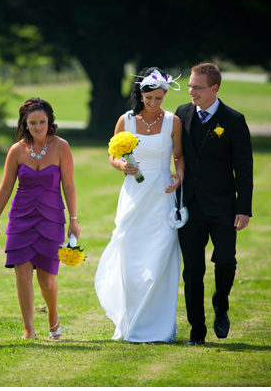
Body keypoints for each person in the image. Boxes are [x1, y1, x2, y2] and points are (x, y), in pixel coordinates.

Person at [95, 67, 185, 343]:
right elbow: (112, 155)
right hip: (134, 194)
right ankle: (130, 320)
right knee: (131, 259)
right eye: (150, 98)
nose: (155, 103)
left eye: (160, 98)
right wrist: (122, 164)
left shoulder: (173, 122)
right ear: (141, 94)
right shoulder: (126, 121)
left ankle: (158, 326)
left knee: (159, 258)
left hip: (161, 194)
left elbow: (179, 156)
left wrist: (178, 177)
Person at [0, 98, 81, 341]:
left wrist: (73, 219)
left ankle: (52, 316)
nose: (38, 127)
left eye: (42, 122)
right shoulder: (16, 150)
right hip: (21, 217)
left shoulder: (61, 147)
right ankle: (28, 329)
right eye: (33, 123)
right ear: (24, 124)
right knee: (22, 272)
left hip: (51, 218)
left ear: (49, 122)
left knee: (47, 279)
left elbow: (68, 186)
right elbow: (6, 187)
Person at [175, 63, 253, 346]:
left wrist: (243, 208)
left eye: (197, 87)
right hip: (189, 207)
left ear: (214, 88)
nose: (191, 91)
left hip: (223, 206)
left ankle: (221, 305)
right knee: (192, 271)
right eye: (190, 86)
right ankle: (197, 332)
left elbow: (244, 168)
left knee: (226, 262)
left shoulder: (233, 120)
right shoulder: (181, 114)